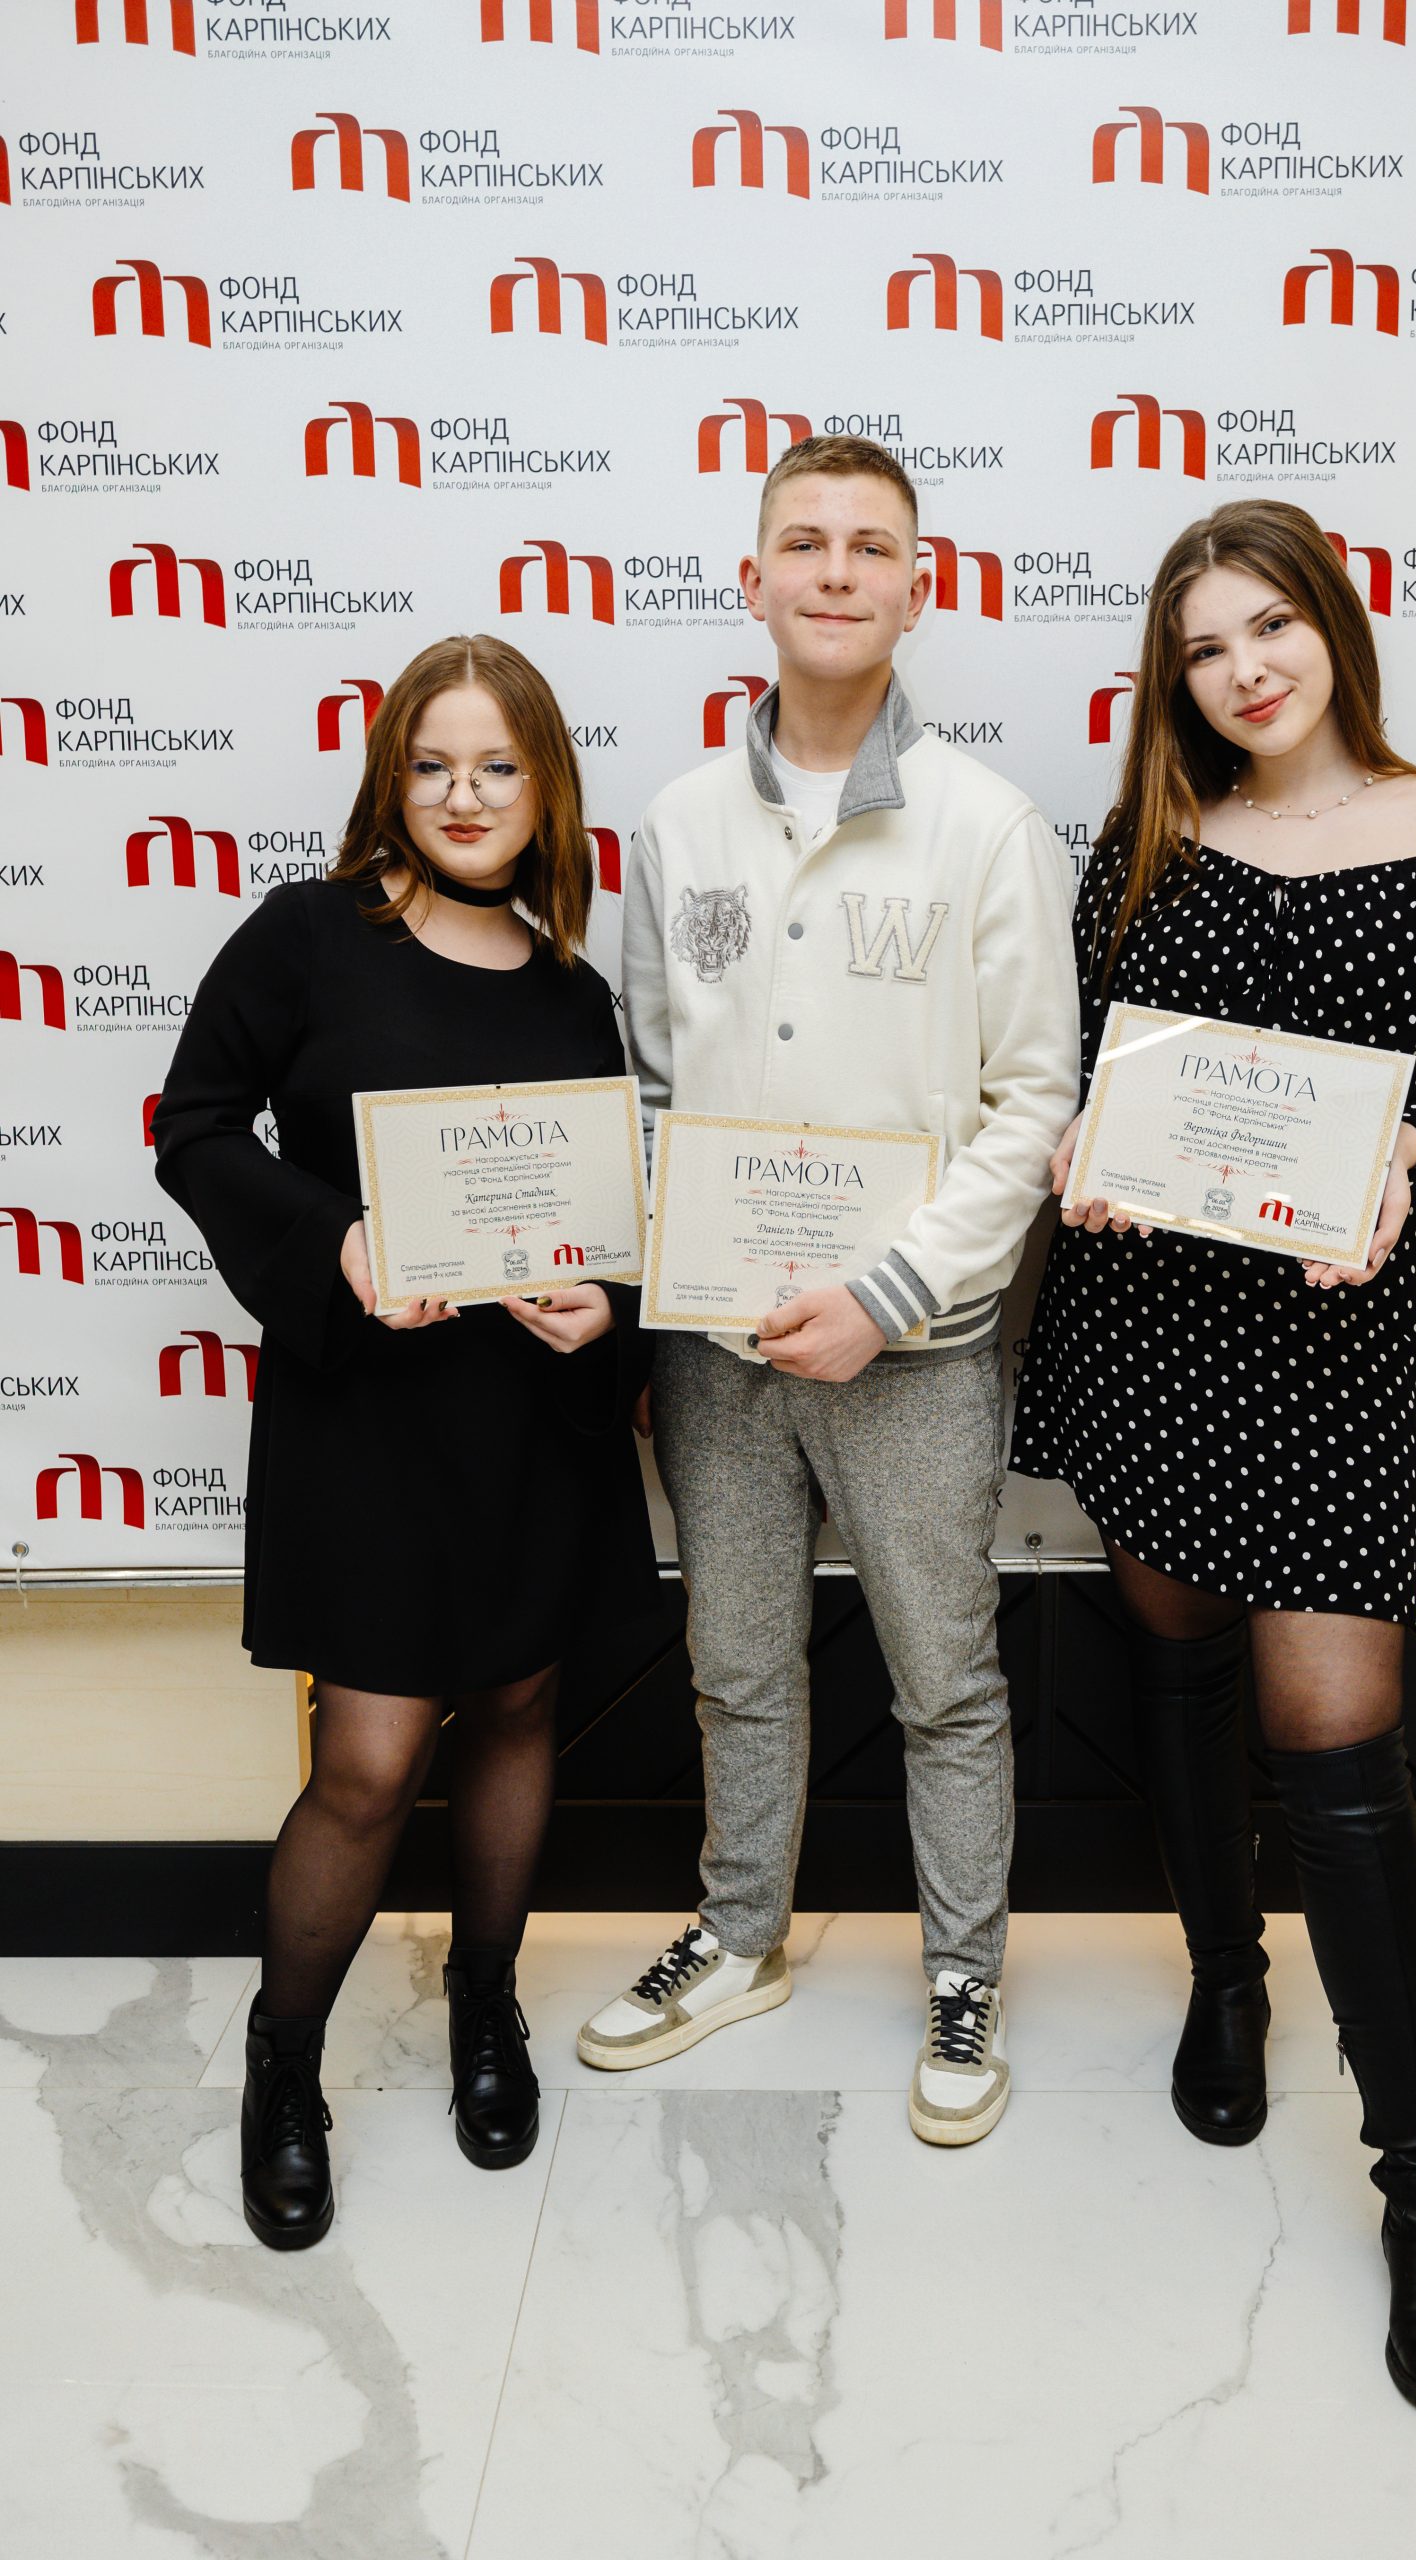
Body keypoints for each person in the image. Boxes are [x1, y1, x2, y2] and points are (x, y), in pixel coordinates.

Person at [1011, 500, 1416, 2409]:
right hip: (1152, 1326)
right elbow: (1095, 1075)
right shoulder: (1148, 844)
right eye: (1203, 647)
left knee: (1338, 1750)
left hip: (1328, 1355)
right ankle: (1227, 1980)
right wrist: (1083, 1154)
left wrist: (1407, 1153)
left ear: (1332, 624)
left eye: (1269, 626)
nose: (1243, 670)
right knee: (1176, 1673)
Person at [574, 434, 1080, 2144]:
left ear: (919, 588)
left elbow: (1036, 1103)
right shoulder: (678, 824)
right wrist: (683, 1268)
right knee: (735, 1659)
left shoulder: (987, 826)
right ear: (755, 580)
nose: (839, 570)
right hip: (718, 1347)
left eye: (873, 546)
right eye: (806, 542)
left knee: (945, 1677)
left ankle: (963, 1974)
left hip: (913, 1344)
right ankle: (740, 1936)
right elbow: (653, 1085)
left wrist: (887, 1291)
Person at [153, 635, 655, 2248]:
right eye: (432, 764)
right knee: (368, 1765)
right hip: (365, 1418)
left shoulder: (576, 993)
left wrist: (605, 1308)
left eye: (497, 766)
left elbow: (606, 1222)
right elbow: (193, 1127)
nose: (464, 794)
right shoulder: (307, 937)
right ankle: (284, 2063)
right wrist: (339, 1243)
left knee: (516, 1707)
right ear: (392, 779)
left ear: (545, 790)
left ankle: (485, 2003)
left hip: (531, 1420)